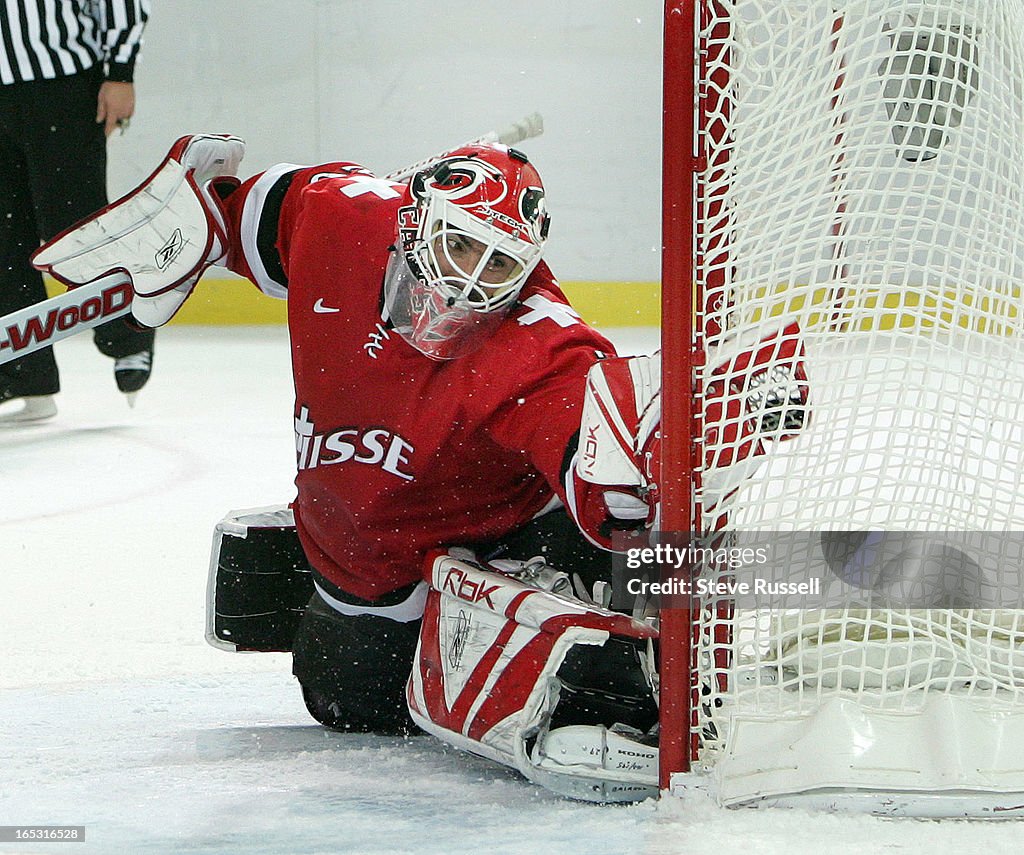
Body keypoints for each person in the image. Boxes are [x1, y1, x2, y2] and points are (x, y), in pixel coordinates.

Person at [0, 0, 154, 424]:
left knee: (76, 226)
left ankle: (129, 335)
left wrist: (120, 73)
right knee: (2, 239)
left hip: (61, 84)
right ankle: (23, 374)